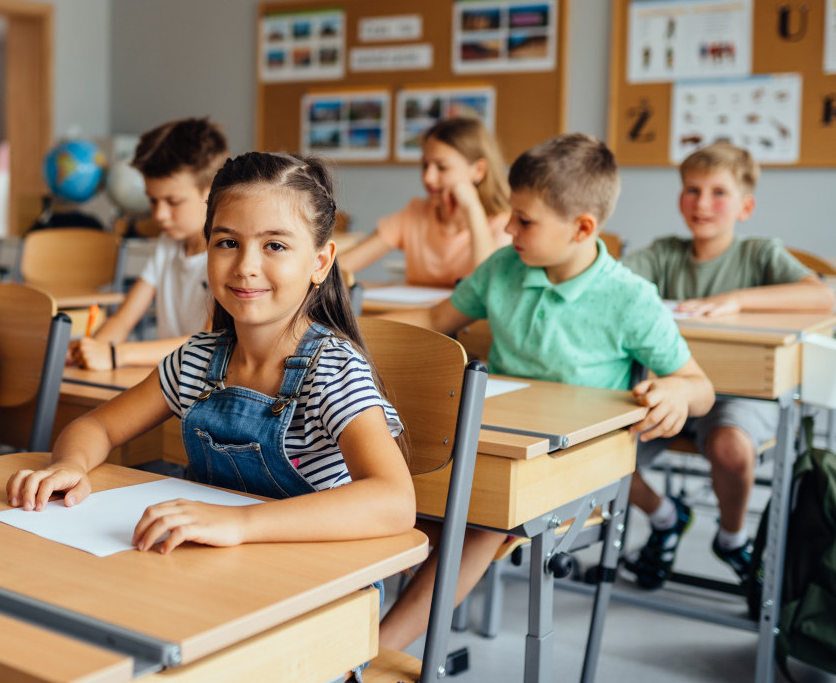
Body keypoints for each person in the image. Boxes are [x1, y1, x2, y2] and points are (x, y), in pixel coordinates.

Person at [376, 133, 716, 650]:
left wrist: (675, 393)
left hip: (576, 463)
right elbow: (434, 319)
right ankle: (352, 638)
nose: (508, 228)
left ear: (582, 228)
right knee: (401, 488)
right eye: (511, 214)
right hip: (501, 440)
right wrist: (346, 332)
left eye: (524, 221)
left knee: (483, 517)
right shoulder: (504, 269)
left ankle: (377, 652)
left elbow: (700, 387)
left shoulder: (630, 299)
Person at [8, 151, 416, 558]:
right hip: (214, 564)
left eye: (274, 245)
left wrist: (238, 523)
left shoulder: (332, 369)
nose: (245, 265)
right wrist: (70, 465)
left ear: (320, 262)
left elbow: (394, 501)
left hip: (314, 574)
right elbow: (97, 427)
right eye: (227, 243)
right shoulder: (198, 360)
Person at [620, 142, 835, 590]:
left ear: (745, 206)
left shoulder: (760, 254)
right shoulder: (663, 253)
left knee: (731, 448)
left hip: (739, 394)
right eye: (692, 190)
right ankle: (664, 517)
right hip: (667, 388)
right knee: (598, 454)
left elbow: (822, 295)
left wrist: (734, 300)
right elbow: (612, 283)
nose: (702, 203)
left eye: (718, 192)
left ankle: (732, 538)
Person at [67, 117, 226, 371]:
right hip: (171, 380)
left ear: (212, 191)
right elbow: (124, 317)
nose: (160, 214)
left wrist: (116, 354)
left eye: (173, 202)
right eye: (153, 201)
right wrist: (88, 350)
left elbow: (208, 344)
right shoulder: (167, 244)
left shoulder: (227, 254)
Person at [339, 116, 511, 287]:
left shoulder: (505, 225)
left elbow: (490, 285)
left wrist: (473, 208)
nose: (428, 178)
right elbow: (343, 265)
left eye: (442, 167)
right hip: (420, 314)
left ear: (478, 170)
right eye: (425, 166)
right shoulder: (414, 214)